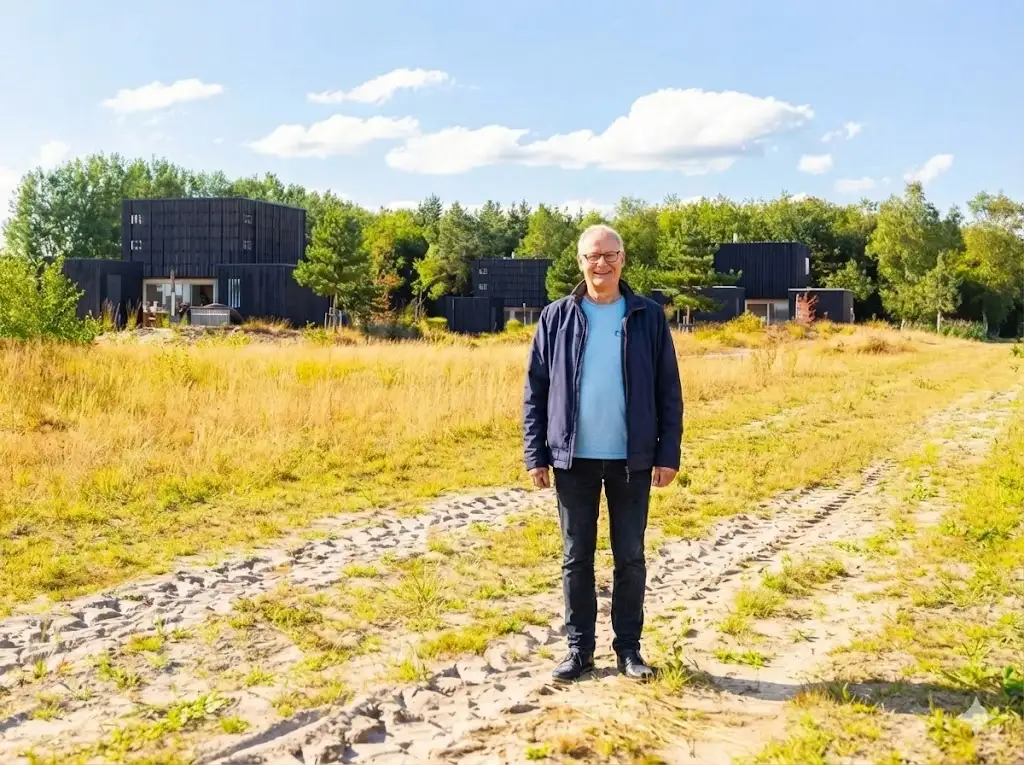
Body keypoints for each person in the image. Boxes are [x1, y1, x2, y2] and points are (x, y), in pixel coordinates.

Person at [522, 224, 683, 683]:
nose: (602, 263)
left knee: (629, 556)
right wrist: (536, 453)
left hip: (633, 459)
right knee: (577, 557)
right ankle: (579, 651)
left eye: (610, 255)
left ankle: (629, 651)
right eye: (593, 256)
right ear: (580, 262)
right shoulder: (556, 317)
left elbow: (668, 389)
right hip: (573, 460)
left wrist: (667, 452)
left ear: (623, 259)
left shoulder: (648, 316)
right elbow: (536, 390)